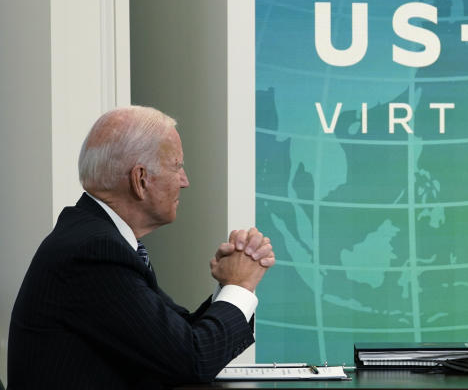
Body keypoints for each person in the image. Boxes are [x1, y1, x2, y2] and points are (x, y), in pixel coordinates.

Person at [7, 106, 276, 389]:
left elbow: (176, 336)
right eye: (177, 166)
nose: (185, 181)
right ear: (141, 179)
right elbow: (192, 360)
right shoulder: (94, 251)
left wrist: (229, 284)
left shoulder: (98, 238)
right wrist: (240, 285)